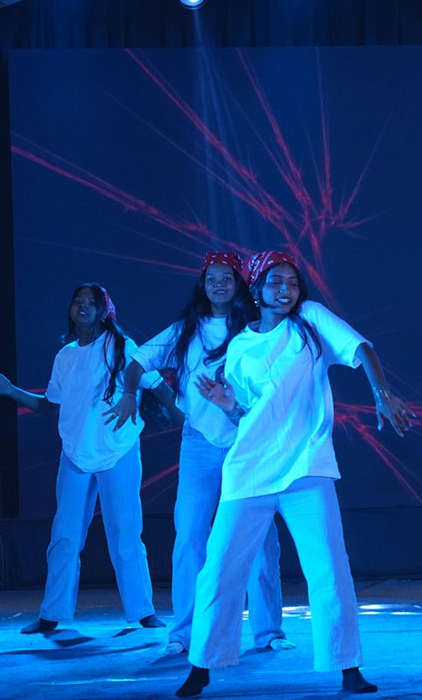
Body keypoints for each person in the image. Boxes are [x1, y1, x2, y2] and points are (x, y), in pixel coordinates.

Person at [175, 251, 414, 697]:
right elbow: (246, 416)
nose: (284, 289)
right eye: (274, 282)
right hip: (248, 471)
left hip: (307, 468)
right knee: (219, 568)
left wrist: (382, 393)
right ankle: (202, 664)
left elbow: (361, 349)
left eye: (291, 282)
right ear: (256, 288)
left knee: (328, 567)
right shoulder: (239, 346)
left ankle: (347, 666)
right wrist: (228, 405)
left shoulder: (310, 321)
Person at [108, 252, 290, 657]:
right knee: (190, 535)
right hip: (199, 445)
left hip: (248, 444)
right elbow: (137, 360)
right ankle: (184, 632)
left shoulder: (256, 328)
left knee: (261, 539)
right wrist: (129, 393)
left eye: (227, 278)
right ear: (203, 285)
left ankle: (268, 631)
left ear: (239, 283)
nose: (219, 284)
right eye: (212, 278)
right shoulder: (185, 330)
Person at [0, 284, 166, 634]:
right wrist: (10, 391)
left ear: (104, 311)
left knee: (125, 534)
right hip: (76, 455)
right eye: (77, 301)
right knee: (64, 536)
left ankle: (143, 610)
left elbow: (155, 384)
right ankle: (52, 613)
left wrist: (180, 415)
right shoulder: (65, 356)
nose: (82, 306)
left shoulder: (121, 347)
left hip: (118, 452)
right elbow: (50, 405)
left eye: (91, 303)